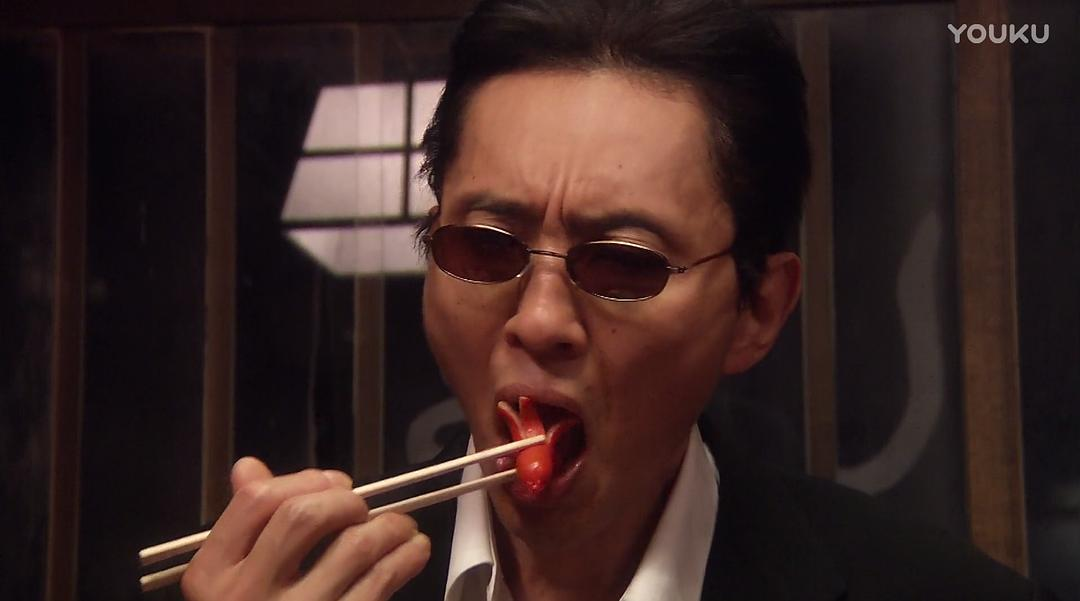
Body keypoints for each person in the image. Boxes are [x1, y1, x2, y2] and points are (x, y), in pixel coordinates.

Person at [180, 1, 1058, 600]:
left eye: (626, 264)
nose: (539, 321)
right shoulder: (292, 581)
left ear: (758, 308)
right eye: (486, 246)